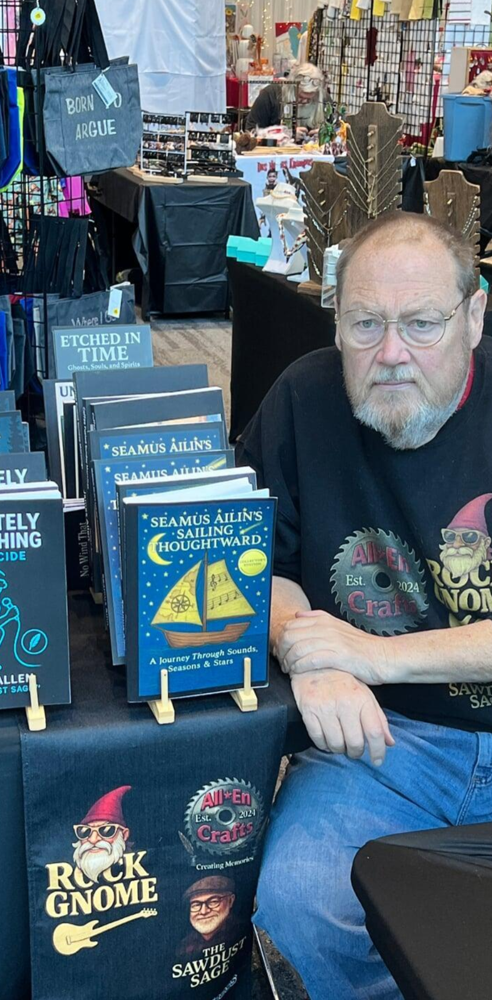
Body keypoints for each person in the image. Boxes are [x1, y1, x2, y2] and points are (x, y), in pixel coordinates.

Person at [236, 212, 492, 1000]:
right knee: (293, 906)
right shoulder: (302, 397)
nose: (389, 354)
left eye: (420, 325)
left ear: (474, 317)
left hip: (389, 693)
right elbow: (255, 567)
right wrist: (305, 656)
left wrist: (370, 656)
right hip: (383, 745)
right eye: (364, 324)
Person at [245, 62, 326, 140]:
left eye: (309, 99)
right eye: (301, 97)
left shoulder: (324, 100)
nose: (304, 102)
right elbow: (250, 132)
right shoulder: (270, 95)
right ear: (292, 88)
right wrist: (283, 134)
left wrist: (325, 134)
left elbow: (336, 131)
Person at [177, 876, 243, 957]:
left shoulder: (240, 930)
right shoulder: (185, 946)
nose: (204, 911)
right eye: (196, 904)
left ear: (230, 900)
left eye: (213, 901)